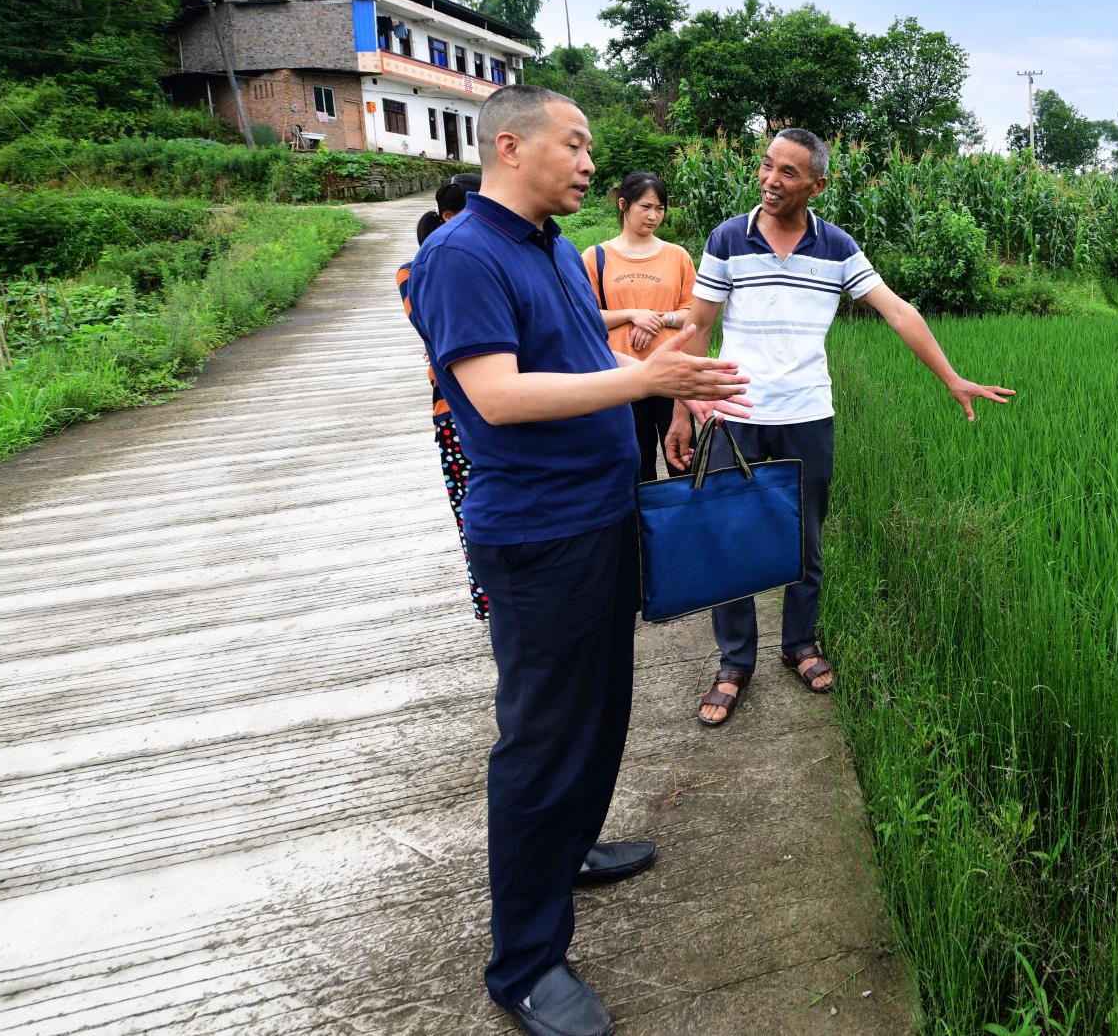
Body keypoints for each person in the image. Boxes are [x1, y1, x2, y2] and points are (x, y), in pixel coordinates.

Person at [402, 83, 752, 1036]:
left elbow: (555, 341)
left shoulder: (547, 246)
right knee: (543, 739)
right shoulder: (459, 255)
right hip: (539, 537)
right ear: (510, 147)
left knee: (603, 709)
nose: (591, 164)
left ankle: (573, 846)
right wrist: (643, 377)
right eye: (577, 144)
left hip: (599, 517)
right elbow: (498, 395)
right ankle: (522, 962)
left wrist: (622, 333)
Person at [668, 128, 1013, 728]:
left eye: (789, 173)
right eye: (767, 166)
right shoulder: (727, 237)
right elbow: (698, 327)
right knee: (726, 541)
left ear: (817, 185)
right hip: (732, 412)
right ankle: (733, 662)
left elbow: (898, 310)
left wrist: (951, 378)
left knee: (804, 539)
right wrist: (679, 405)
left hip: (806, 413)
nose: (771, 180)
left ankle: (799, 645)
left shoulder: (837, 248)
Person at [400, 172, 488, 619]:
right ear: (452, 217)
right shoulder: (418, 271)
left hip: (495, 411)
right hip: (454, 411)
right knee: (472, 510)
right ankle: (490, 602)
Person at [582, 171, 695, 478]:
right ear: (623, 205)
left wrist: (658, 320)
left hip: (671, 373)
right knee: (634, 468)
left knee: (683, 462)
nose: (653, 215)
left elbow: (694, 313)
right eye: (646, 207)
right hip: (620, 378)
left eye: (660, 208)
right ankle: (638, 527)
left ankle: (683, 526)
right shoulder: (596, 257)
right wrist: (632, 314)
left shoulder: (678, 256)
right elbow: (583, 318)